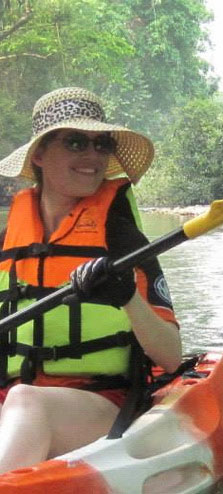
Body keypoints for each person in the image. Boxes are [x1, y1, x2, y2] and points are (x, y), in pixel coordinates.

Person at [0, 87, 180, 472]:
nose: (93, 156)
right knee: (20, 398)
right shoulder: (7, 243)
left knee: (25, 402)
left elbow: (170, 355)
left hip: (100, 401)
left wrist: (127, 296)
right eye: (77, 142)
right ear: (39, 155)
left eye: (102, 145)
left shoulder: (123, 238)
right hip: (12, 396)